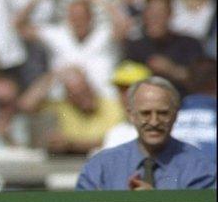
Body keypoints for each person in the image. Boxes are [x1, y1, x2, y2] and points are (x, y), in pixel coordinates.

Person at [76, 76, 216, 190]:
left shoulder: (199, 166)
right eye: (145, 113)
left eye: (162, 113)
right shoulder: (101, 167)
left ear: (175, 115)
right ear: (131, 115)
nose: (154, 122)